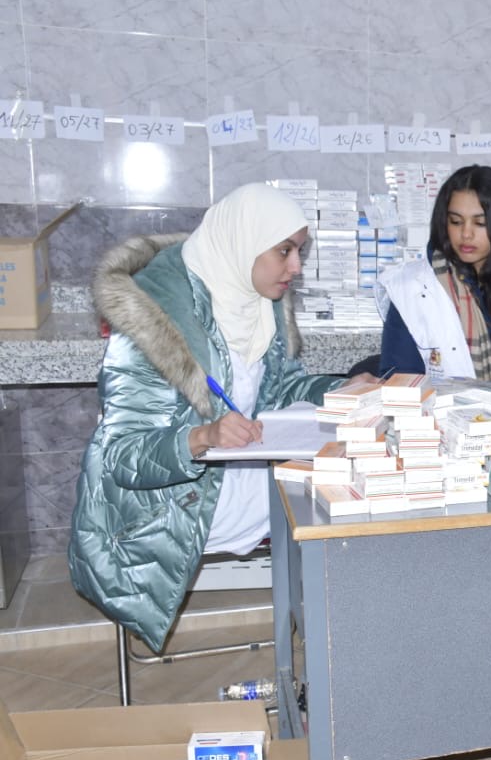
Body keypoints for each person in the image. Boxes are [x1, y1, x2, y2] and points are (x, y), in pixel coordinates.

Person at [69, 182, 373, 653]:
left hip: (234, 473)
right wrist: (202, 436)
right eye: (285, 251)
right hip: (165, 502)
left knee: (362, 480)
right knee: (343, 502)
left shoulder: (259, 303)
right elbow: (122, 457)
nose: (295, 267)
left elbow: (282, 389)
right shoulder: (153, 317)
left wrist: (344, 389)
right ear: (244, 243)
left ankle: (338, 654)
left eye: (300, 251)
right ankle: (339, 654)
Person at [376, 165, 491, 385]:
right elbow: (399, 387)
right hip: (439, 408)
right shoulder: (410, 288)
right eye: (456, 221)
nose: (466, 234)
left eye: (480, 223)